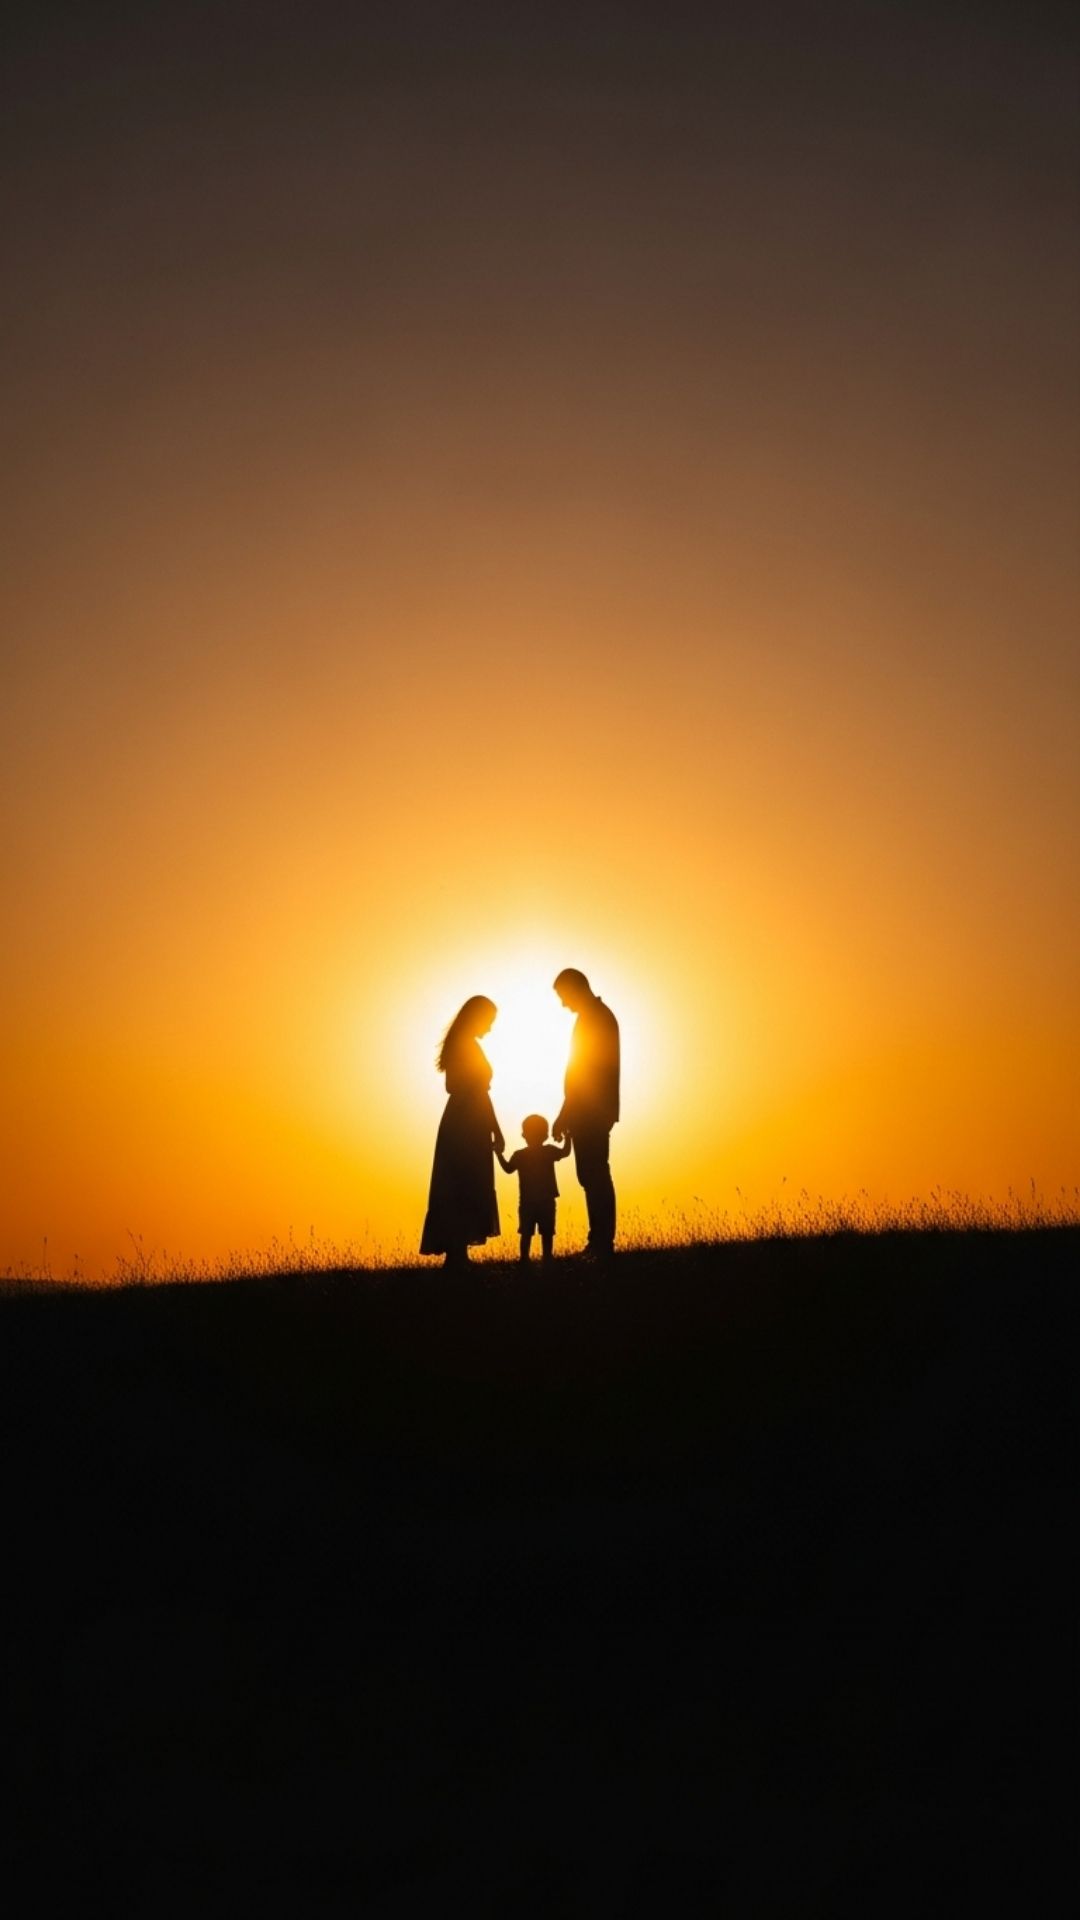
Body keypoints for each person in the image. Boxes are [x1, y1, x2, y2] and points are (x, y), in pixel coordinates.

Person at [420, 995, 505, 1266]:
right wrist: (494, 1127)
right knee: (463, 1182)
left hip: (467, 1119)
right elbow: (463, 1087)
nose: (490, 1028)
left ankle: (458, 1254)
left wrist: (493, 1127)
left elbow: (474, 1090)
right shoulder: (464, 1047)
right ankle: (456, 1254)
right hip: (466, 1122)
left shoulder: (465, 1045)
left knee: (465, 1182)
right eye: (489, 1021)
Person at [552, 968, 620, 1258]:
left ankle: (601, 1242)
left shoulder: (596, 1018)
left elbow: (585, 1072)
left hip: (591, 1109)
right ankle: (599, 1240)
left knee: (595, 1175)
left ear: (576, 988)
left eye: (564, 996)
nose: (563, 1004)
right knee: (591, 1175)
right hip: (589, 1109)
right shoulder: (593, 1017)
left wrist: (566, 1112)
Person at [497, 1115, 572, 1264]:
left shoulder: (520, 1155)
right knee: (547, 1232)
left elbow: (507, 1169)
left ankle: (524, 1259)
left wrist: (498, 1154)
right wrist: (569, 1137)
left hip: (527, 1202)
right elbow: (565, 1152)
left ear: (524, 1134)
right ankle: (547, 1258)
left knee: (526, 1232)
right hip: (546, 1201)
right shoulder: (548, 1151)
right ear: (545, 1134)